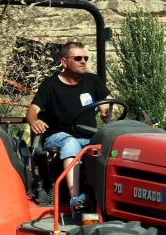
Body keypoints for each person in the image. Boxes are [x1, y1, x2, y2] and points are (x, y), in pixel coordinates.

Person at [26, 41, 110, 212]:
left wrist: (106, 110)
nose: (83, 61)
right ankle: (76, 200)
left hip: (88, 136)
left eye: (85, 57)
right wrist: (34, 121)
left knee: (112, 144)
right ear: (64, 62)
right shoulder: (50, 85)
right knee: (71, 142)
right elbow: (32, 110)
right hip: (59, 136)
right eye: (78, 58)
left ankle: (106, 201)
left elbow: (107, 102)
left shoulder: (92, 80)